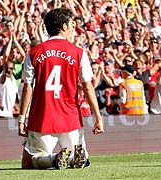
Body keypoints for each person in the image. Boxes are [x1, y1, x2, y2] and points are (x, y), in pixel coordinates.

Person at [17, 8, 104, 170]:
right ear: (64, 26)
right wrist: (98, 117)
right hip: (70, 117)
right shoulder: (79, 53)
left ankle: (53, 159)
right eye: (72, 24)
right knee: (79, 157)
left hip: (42, 116)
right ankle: (74, 157)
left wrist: (22, 119)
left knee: (30, 160)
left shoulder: (34, 53)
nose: (74, 29)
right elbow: (88, 87)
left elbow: (27, 87)